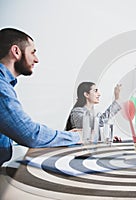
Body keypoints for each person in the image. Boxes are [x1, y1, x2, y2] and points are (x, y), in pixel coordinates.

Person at [0, 28, 80, 166]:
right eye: (32, 52)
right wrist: (77, 137)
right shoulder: (1, 87)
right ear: (16, 51)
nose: (36, 60)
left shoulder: (5, 85)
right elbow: (30, 134)